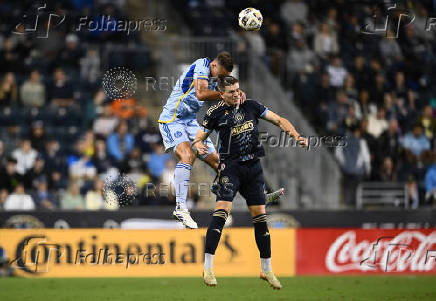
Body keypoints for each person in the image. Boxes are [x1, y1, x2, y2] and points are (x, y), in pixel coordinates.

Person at [193, 75, 308, 289]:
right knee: (221, 212)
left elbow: (279, 119)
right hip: (231, 168)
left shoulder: (252, 106)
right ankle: (208, 267)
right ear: (222, 94)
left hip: (254, 168)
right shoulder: (214, 113)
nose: (236, 94)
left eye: (237, 90)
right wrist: (199, 145)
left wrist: (295, 135)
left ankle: (267, 270)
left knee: (261, 218)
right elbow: (199, 138)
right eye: (231, 92)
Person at [158, 52, 283, 228]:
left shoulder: (212, 78)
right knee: (187, 156)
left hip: (190, 122)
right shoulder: (202, 64)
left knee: (220, 163)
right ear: (214, 66)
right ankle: (181, 207)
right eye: (222, 74)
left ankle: (256, 195)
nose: (222, 79)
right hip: (172, 119)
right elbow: (201, 94)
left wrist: (234, 96)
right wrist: (228, 94)